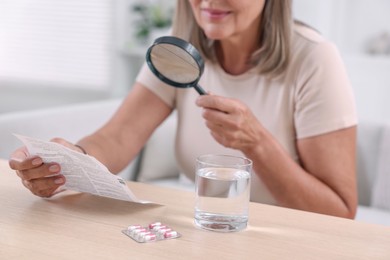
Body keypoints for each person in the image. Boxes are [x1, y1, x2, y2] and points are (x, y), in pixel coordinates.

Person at [8, 0, 358, 218]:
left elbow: (341, 212)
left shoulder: (315, 58)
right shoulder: (179, 52)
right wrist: (68, 161)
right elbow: (117, 138)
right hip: (207, 232)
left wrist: (257, 144)